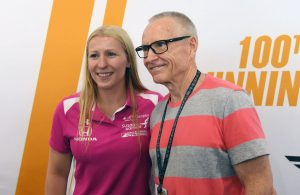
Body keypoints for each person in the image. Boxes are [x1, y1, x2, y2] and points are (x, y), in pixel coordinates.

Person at [135, 11, 275, 195]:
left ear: (191, 46)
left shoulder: (229, 100)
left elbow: (261, 185)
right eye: (145, 49)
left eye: (160, 45)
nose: (149, 58)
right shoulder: (158, 112)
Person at [45, 25, 162, 195]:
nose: (101, 64)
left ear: (128, 60)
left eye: (111, 54)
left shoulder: (154, 104)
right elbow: (57, 174)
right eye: (94, 56)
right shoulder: (67, 109)